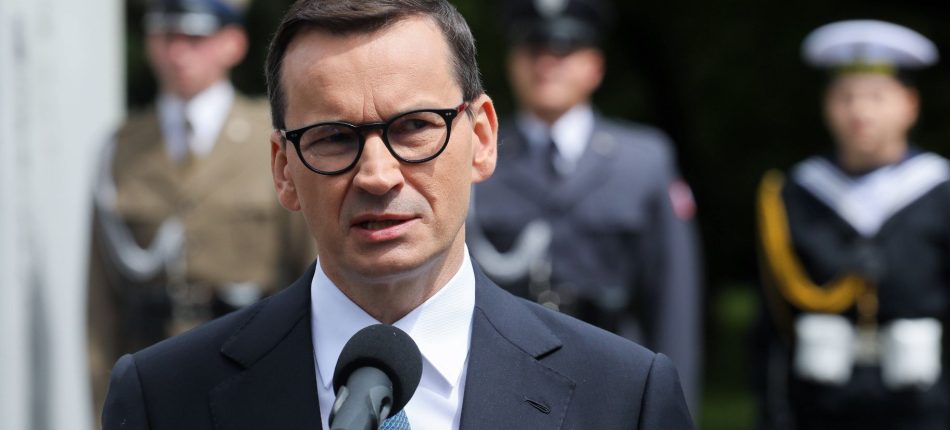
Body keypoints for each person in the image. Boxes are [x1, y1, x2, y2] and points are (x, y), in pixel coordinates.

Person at [101, 1, 694, 429]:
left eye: (413, 128)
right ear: (283, 169)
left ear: (482, 139)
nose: (377, 175)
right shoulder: (164, 398)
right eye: (333, 137)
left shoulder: (623, 398)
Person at [754, 19, 950, 430]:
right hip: (818, 407)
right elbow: (772, 323)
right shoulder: (796, 193)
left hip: (921, 409)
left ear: (909, 105)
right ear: (826, 104)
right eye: (845, 97)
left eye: (877, 97)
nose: (860, 112)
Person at [466, 0, 703, 405]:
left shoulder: (644, 162)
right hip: (506, 381)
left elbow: (673, 300)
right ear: (512, 63)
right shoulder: (477, 158)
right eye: (533, 50)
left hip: (616, 382)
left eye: (564, 51)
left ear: (595, 66)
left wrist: (672, 408)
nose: (547, 63)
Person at [88, 0, 314, 414]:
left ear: (234, 43)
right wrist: (105, 404)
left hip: (254, 371)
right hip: (152, 378)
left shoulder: (274, 141)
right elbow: (102, 299)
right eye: (165, 36)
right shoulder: (122, 149)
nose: (178, 52)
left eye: (195, 38)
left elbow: (310, 265)